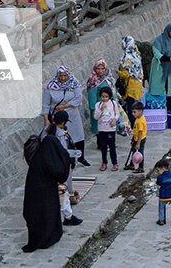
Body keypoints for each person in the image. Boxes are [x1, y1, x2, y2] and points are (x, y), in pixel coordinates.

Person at [22, 111, 74, 252]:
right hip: (44, 192)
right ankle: (47, 238)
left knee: (38, 217)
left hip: (35, 193)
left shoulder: (40, 157)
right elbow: (59, 171)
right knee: (48, 214)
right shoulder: (50, 159)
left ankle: (40, 239)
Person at [42, 65, 89, 167]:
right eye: (61, 76)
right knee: (61, 137)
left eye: (64, 75)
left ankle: (81, 157)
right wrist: (46, 119)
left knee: (78, 135)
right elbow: (45, 104)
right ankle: (66, 159)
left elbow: (78, 98)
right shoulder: (50, 87)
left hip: (72, 114)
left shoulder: (74, 84)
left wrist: (64, 106)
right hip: (58, 117)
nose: (63, 78)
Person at [117, 35, 145, 121]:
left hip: (131, 87)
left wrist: (118, 72)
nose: (122, 46)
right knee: (136, 106)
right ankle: (137, 122)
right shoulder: (136, 54)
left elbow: (126, 74)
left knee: (131, 108)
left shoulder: (127, 57)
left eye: (123, 44)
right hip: (138, 84)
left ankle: (133, 125)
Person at [93, 87, 121, 171]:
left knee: (112, 147)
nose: (104, 98)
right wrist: (100, 110)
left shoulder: (113, 103)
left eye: (106, 96)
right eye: (102, 96)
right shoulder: (98, 105)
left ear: (109, 96)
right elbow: (96, 117)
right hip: (102, 129)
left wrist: (114, 120)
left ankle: (114, 163)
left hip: (111, 129)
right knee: (103, 147)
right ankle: (104, 162)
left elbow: (117, 114)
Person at [85, 58, 114, 134]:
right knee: (100, 131)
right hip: (99, 109)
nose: (100, 71)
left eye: (102, 68)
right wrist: (96, 110)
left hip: (109, 109)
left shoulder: (108, 77)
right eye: (98, 69)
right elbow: (92, 97)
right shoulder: (93, 81)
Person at [154, 158, 171, 225]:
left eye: (158, 170)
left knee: (161, 208)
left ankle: (161, 220)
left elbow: (158, 183)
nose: (158, 172)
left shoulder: (160, 177)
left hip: (163, 196)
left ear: (163, 168)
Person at [126, 101, 147, 172]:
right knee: (134, 151)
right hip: (136, 139)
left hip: (140, 140)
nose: (133, 114)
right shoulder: (138, 119)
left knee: (140, 153)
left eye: (134, 112)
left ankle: (141, 168)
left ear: (140, 111)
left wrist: (138, 143)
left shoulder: (140, 121)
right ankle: (132, 164)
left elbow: (140, 132)